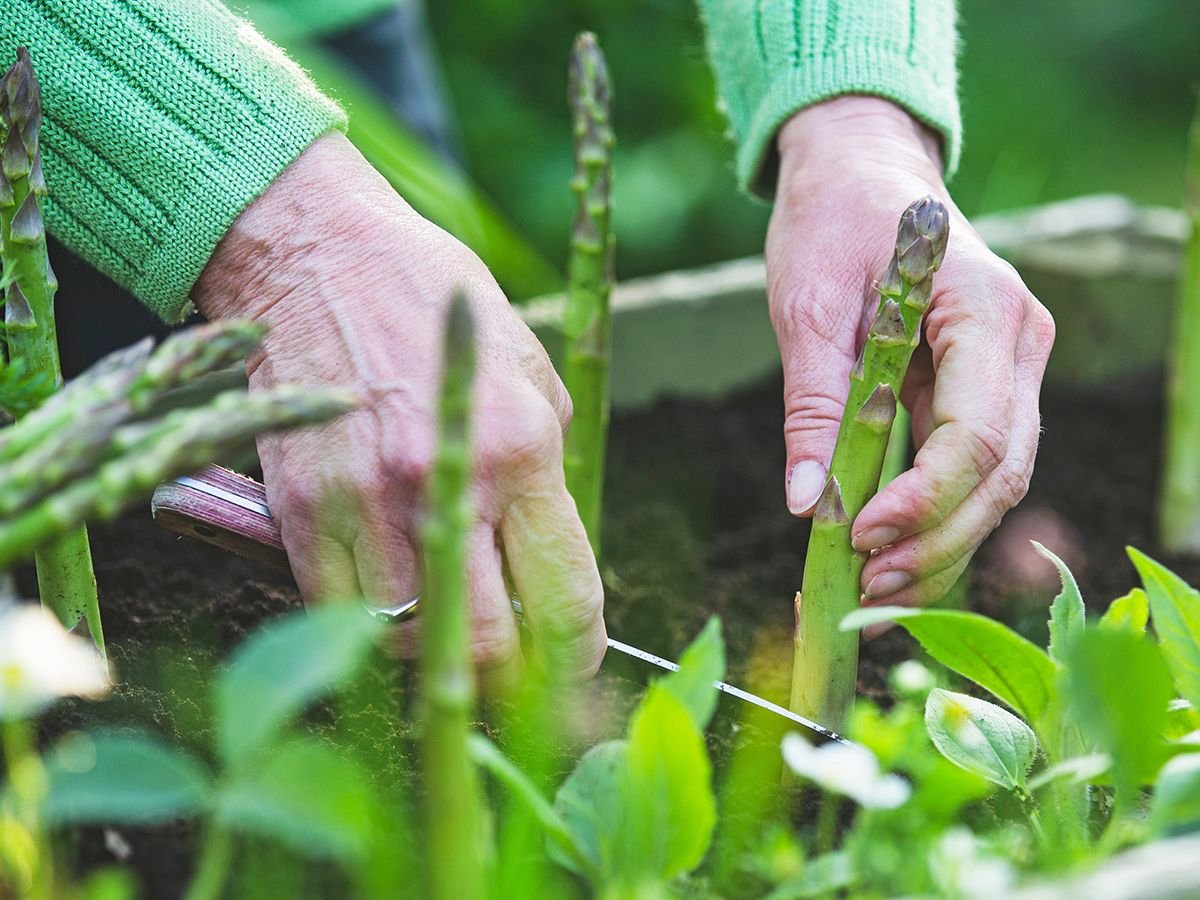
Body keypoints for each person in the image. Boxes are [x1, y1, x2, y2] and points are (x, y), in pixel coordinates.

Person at [1, 1, 1053, 687]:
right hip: (67, 70)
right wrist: (292, 242)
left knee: (427, 506)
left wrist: (855, 110)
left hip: (324, 40)